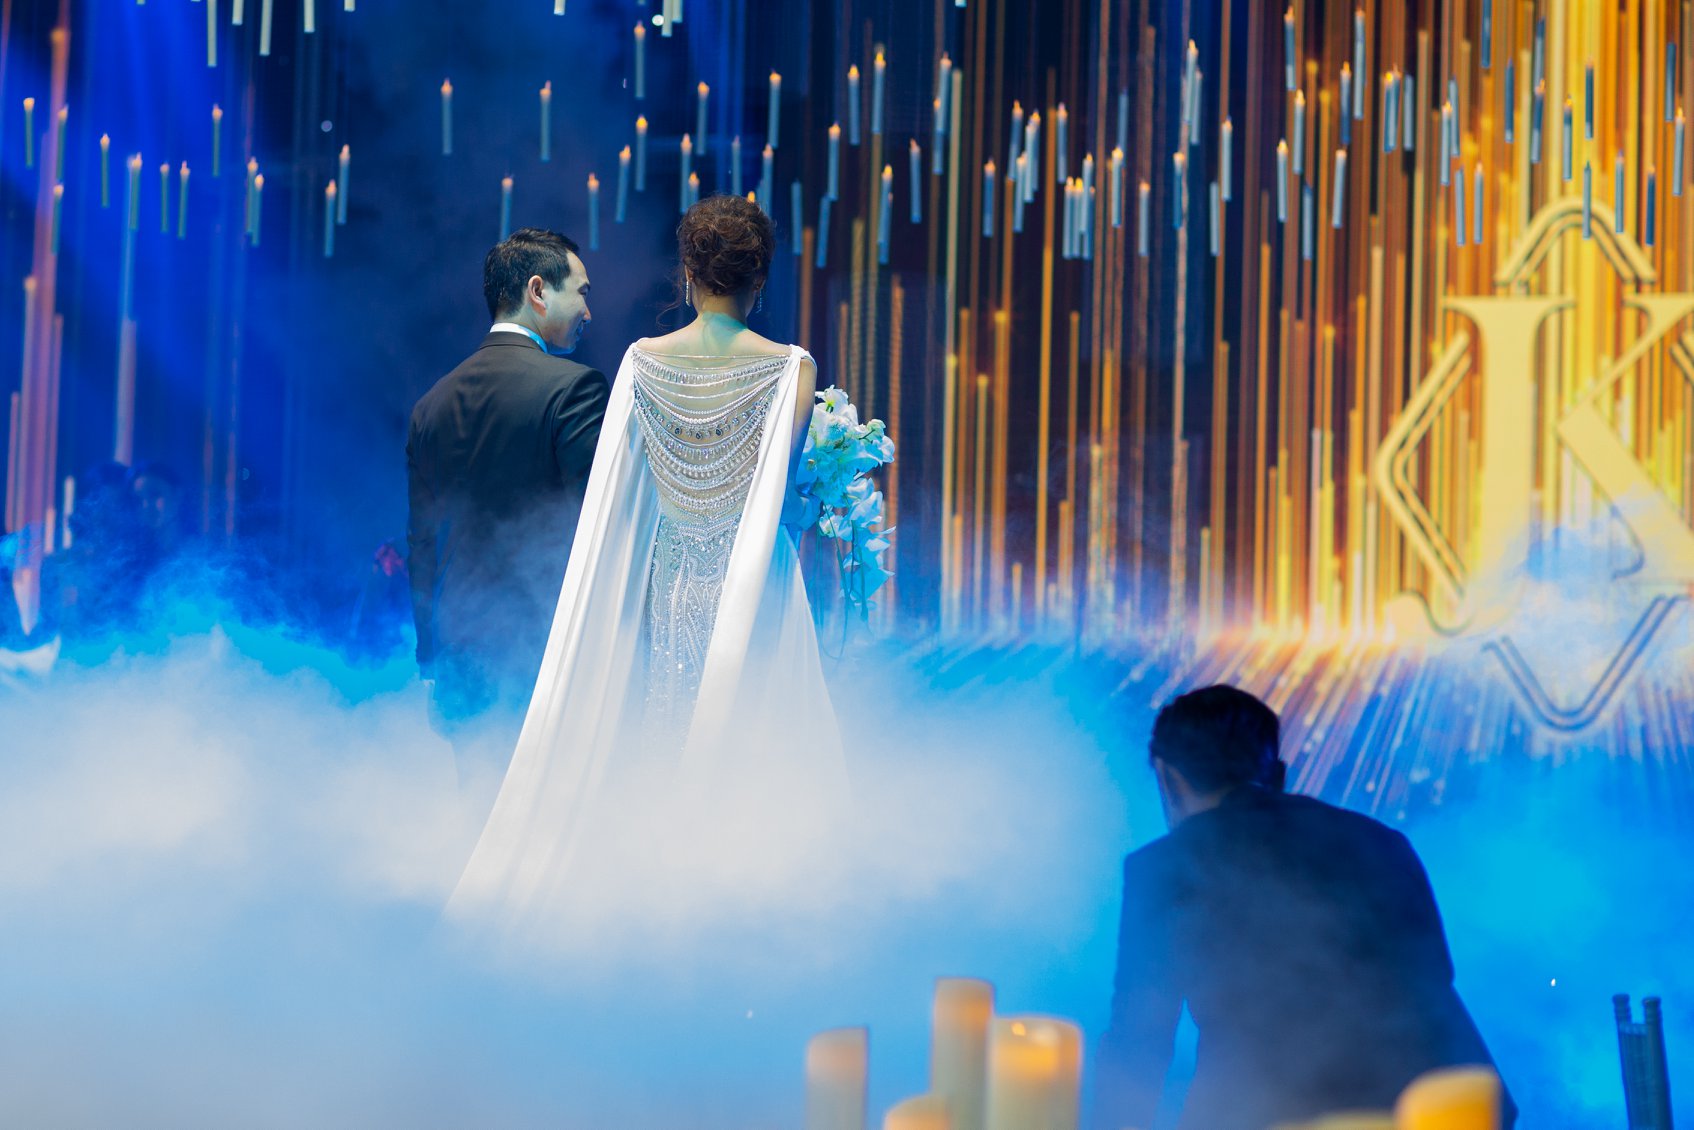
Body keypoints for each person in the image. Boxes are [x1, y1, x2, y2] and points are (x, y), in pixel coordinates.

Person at [449, 195, 844, 926]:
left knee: (668, 722)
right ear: (760, 280)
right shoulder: (791, 368)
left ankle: (665, 894)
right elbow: (777, 496)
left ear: (687, 275)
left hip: (669, 576)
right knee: (755, 734)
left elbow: (623, 486)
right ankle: (747, 903)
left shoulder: (641, 361)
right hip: (754, 578)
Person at [1096, 685, 1515, 1130]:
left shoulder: (1164, 869)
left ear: (1167, 778)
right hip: (1436, 1111)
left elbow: (1138, 1046)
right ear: (1278, 775)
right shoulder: (1383, 844)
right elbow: (1434, 985)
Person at [407, 228, 608, 757]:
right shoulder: (573, 388)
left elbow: (422, 545)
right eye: (582, 293)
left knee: (475, 800)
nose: (589, 312)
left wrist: (430, 659)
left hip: (458, 652)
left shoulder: (430, 404)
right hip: (540, 650)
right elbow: (597, 524)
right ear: (538, 290)